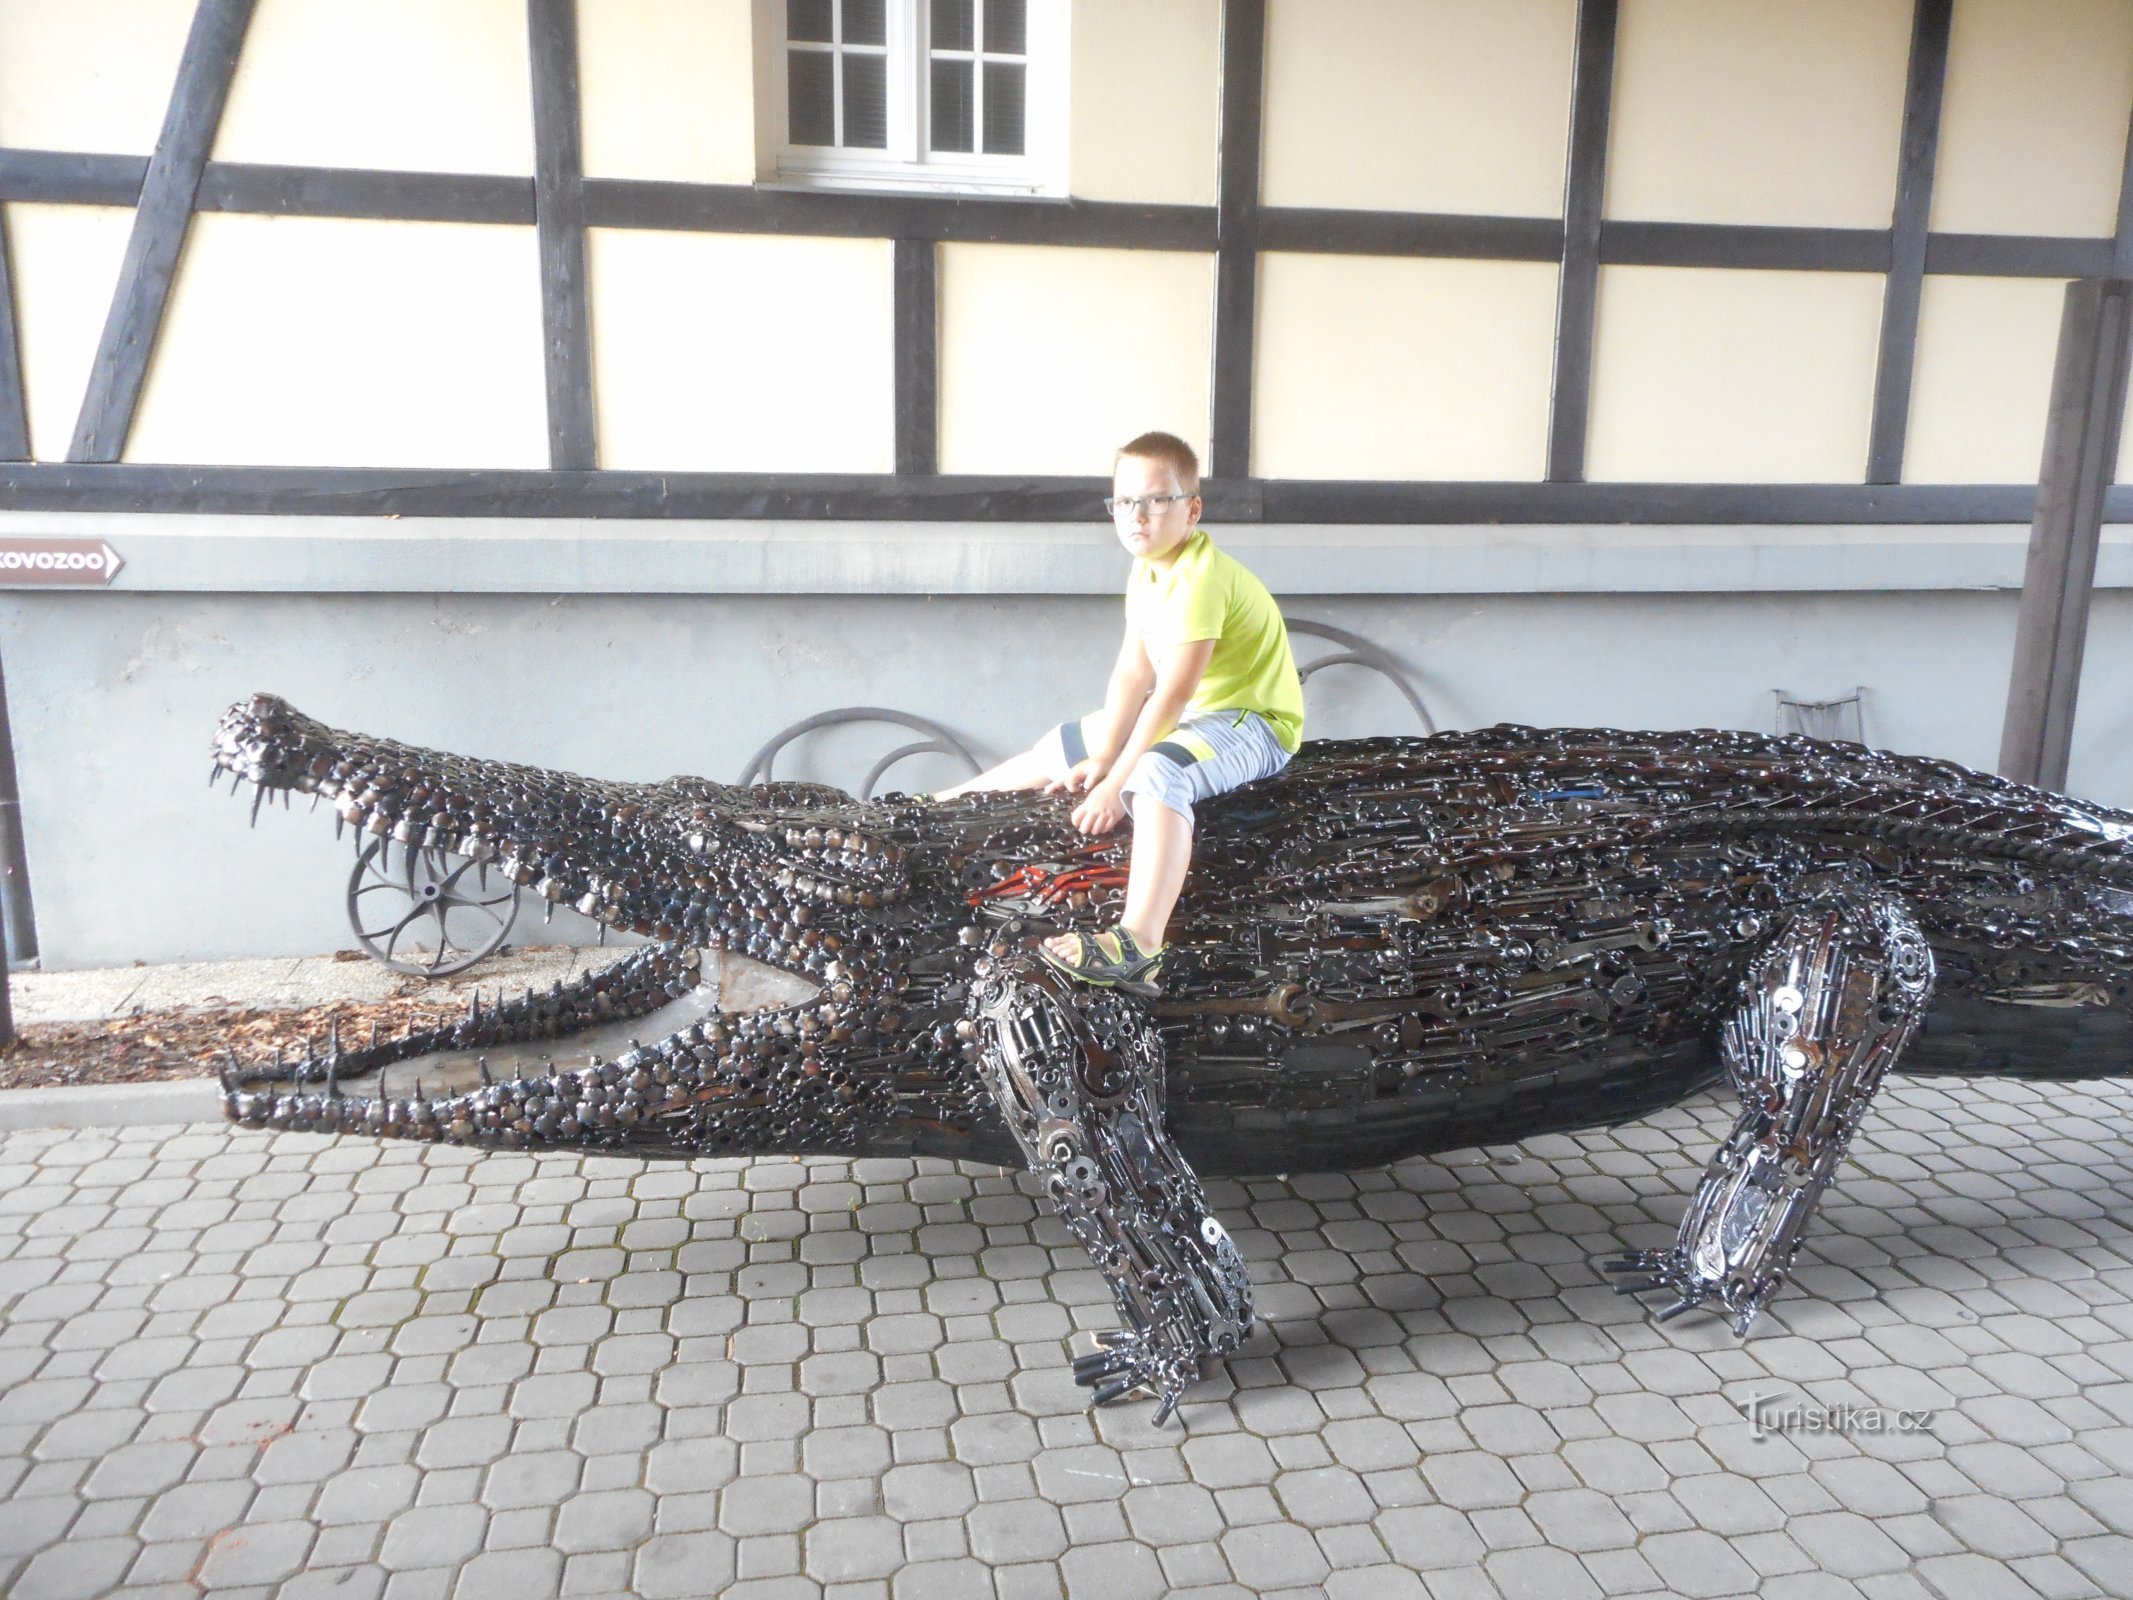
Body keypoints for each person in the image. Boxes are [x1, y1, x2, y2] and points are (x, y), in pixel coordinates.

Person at [935, 431, 1304, 995]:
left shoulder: (1200, 580)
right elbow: (1133, 673)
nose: (1137, 515)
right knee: (1065, 744)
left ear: (1192, 510)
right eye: (1125, 501)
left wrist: (1114, 784)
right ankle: (938, 808)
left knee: (1157, 774)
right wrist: (1103, 752)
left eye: (1156, 500)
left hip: (1250, 722)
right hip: (1196, 716)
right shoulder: (1148, 569)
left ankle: (1139, 942)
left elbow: (1171, 696)